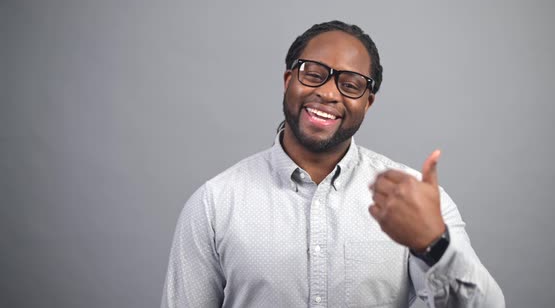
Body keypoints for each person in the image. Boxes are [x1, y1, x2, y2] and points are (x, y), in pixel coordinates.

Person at [161, 21, 505, 307]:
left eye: (350, 84)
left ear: (368, 103)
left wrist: (434, 244)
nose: (328, 93)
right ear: (288, 81)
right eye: (313, 74)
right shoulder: (214, 204)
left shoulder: (415, 202)